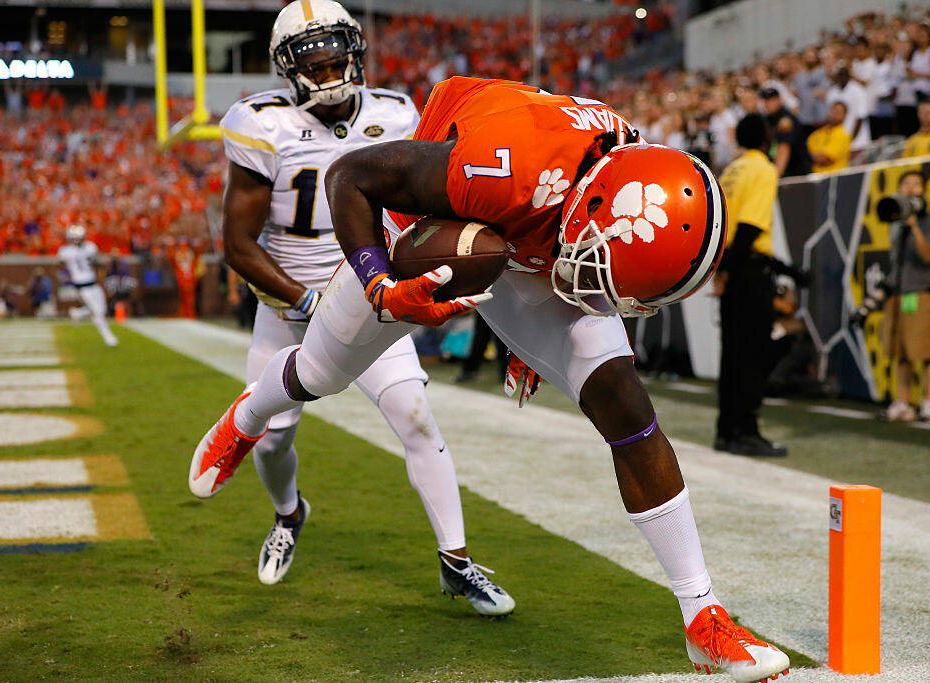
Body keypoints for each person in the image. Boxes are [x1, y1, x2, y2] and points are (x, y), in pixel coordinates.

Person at [191, 75, 791, 681]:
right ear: (595, 211)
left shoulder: (625, 170)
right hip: (434, 223)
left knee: (625, 405)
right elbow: (350, 176)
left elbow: (595, 260)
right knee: (321, 372)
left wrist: (541, 331)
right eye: (602, 273)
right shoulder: (505, 164)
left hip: (537, 231)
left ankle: (702, 616)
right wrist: (380, 282)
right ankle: (246, 418)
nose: (604, 295)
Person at [200, 0, 514, 615]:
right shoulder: (262, 123)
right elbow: (237, 244)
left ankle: (457, 563)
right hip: (289, 300)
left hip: (373, 294)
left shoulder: (398, 113)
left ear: (355, 50)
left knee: (416, 417)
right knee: (270, 439)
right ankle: (290, 515)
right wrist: (306, 298)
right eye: (312, 60)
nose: (327, 67)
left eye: (335, 53)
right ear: (287, 67)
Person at [713, 115, 788, 458]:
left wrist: (721, 270)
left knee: (731, 355)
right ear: (766, 138)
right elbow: (750, 228)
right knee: (752, 355)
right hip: (749, 270)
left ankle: (726, 430)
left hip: (729, 268)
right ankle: (746, 429)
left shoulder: (730, 171)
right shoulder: (763, 169)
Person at [880, 170, 930, 422]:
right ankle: (904, 402)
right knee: (901, 352)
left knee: (927, 351)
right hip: (898, 294)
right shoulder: (895, 225)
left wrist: (915, 226)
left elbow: (928, 256)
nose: (910, 189)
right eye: (905, 184)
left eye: (916, 184)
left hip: (921, 293)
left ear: (924, 190)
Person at [57, 224, 118, 347]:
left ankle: (78, 313)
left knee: (102, 310)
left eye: (79, 237)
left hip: (94, 284)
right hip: (82, 286)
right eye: (74, 238)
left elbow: (97, 263)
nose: (77, 240)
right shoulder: (65, 251)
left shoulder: (90, 247)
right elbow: (60, 266)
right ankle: (108, 337)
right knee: (97, 313)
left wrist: (102, 277)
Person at [760, 87, 811, 177]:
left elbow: (784, 148)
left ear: (779, 100)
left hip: (796, 173)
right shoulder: (768, 119)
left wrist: (775, 177)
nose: (767, 104)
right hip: (785, 172)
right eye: (765, 100)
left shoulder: (786, 120)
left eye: (771, 100)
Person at [807, 101, 852, 173]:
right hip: (814, 175)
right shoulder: (818, 133)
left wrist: (811, 157)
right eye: (834, 110)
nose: (836, 114)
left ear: (844, 116)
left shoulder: (842, 135)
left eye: (839, 112)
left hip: (833, 178)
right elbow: (805, 150)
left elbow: (825, 160)